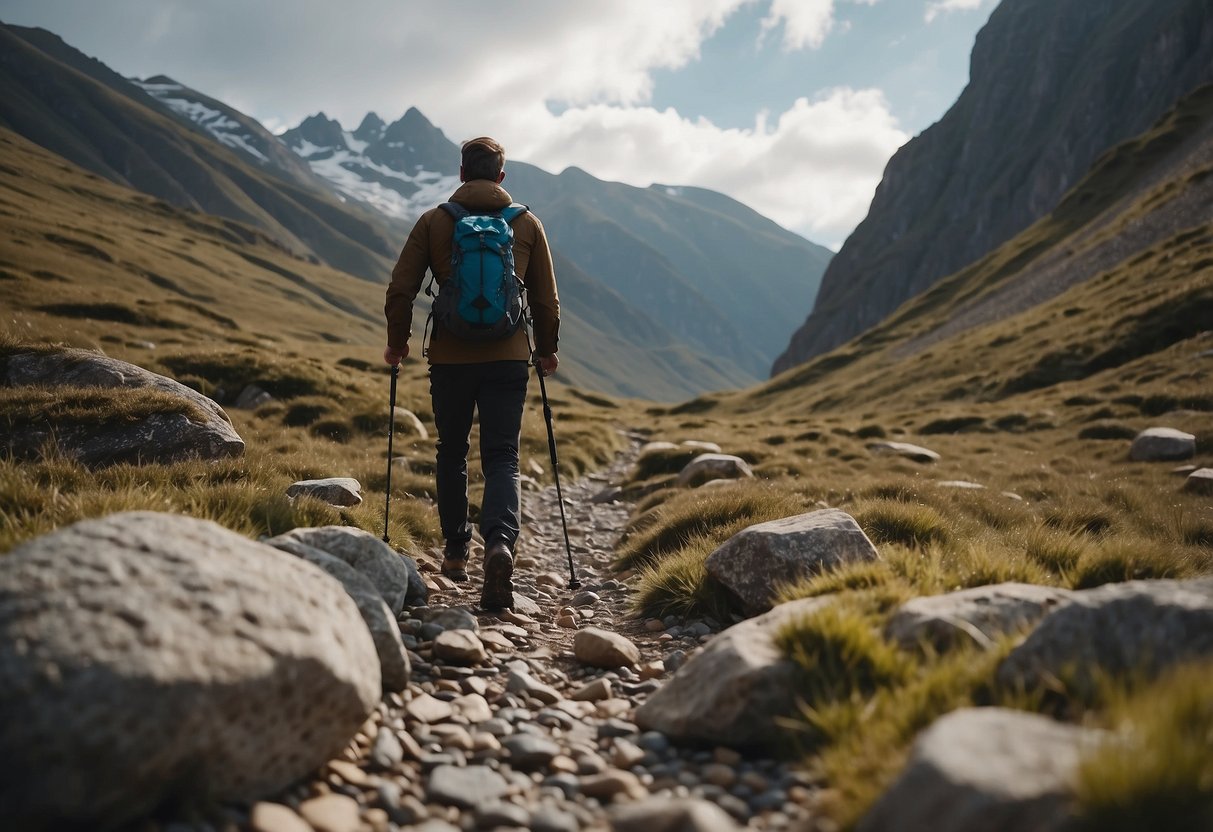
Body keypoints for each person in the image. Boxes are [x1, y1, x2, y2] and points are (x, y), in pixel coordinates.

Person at [383, 136, 560, 610]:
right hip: (507, 357)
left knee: (452, 450)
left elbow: (401, 289)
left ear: (461, 174)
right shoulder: (525, 223)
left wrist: (397, 344)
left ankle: (457, 551)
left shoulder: (434, 222)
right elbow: (545, 300)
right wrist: (547, 351)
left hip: (450, 356)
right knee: (503, 454)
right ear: (501, 177)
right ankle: (500, 545)